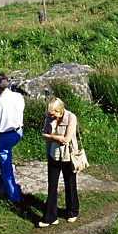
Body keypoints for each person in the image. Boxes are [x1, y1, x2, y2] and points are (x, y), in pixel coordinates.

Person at [38, 97, 80, 227]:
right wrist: (55, 137)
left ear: (60, 110)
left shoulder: (71, 117)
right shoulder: (49, 118)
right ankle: (50, 217)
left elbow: (66, 139)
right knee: (52, 185)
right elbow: (44, 134)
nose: (51, 116)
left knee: (70, 183)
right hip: (53, 154)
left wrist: (51, 138)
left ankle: (72, 212)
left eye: (53, 114)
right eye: (50, 114)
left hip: (68, 155)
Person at [0, 73, 25, 203]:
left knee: (5, 163)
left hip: (5, 134)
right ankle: (6, 177)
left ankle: (14, 196)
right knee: (8, 156)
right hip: (18, 131)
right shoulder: (18, 96)